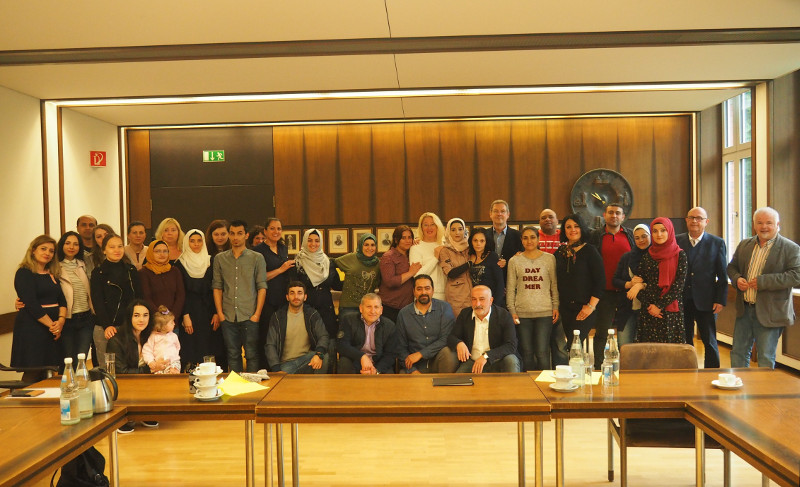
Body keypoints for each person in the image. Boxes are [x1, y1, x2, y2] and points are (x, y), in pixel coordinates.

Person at [727, 207, 800, 368]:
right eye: (760, 222)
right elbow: (731, 267)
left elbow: (796, 276)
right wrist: (737, 279)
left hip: (771, 313)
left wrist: (763, 282)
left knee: (765, 357)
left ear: (777, 224)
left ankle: (763, 393)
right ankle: (738, 390)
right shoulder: (745, 244)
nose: (764, 226)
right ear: (754, 225)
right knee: (738, 353)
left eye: (769, 223)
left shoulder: (790, 248)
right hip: (744, 310)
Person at [212, 220, 267, 372]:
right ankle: (235, 388)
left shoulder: (257, 258)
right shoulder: (220, 258)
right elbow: (217, 287)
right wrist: (221, 314)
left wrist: (257, 314)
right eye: (232, 233)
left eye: (239, 233)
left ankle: (252, 389)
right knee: (232, 354)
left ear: (246, 235)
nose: (236, 237)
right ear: (229, 235)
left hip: (250, 314)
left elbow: (261, 287)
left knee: (251, 354)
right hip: (228, 315)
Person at [676, 207, 728, 368]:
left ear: (706, 222)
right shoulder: (677, 241)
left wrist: (720, 300)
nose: (694, 221)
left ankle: (712, 373)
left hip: (707, 300)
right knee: (685, 339)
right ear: (686, 220)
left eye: (699, 218)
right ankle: (687, 370)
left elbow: (722, 275)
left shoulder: (717, 243)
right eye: (691, 217)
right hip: (682, 299)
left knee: (709, 340)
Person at [10, 235, 66, 382]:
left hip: (53, 328)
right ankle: (21, 401)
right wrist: (52, 326)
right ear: (33, 250)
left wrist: (60, 322)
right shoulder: (24, 273)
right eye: (43, 249)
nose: (47, 253)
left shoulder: (52, 274)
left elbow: (62, 301)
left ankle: (43, 403)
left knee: (49, 370)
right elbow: (31, 303)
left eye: (51, 251)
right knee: (33, 370)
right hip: (32, 328)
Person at [106, 299, 166, 433]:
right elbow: (121, 373)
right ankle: (124, 415)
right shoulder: (116, 340)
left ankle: (145, 412)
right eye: (136, 315)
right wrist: (150, 369)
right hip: (124, 386)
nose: (142, 320)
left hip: (145, 385)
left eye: (145, 315)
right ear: (129, 317)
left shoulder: (150, 336)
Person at [506, 226, 559, 371]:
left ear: (538, 239)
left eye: (532, 237)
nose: (529, 241)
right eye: (525, 237)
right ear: (521, 241)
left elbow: (554, 285)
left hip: (545, 312)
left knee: (542, 352)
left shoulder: (549, 259)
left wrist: (556, 306)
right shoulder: (514, 261)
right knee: (527, 352)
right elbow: (511, 288)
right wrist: (512, 310)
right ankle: (529, 384)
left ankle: (545, 383)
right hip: (522, 313)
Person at [587, 204, 634, 368]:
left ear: (623, 217)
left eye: (618, 213)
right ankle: (599, 367)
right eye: (611, 212)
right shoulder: (595, 236)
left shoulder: (630, 236)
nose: (614, 215)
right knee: (601, 332)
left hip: (627, 292)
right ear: (604, 215)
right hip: (604, 293)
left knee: (626, 335)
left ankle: (627, 367)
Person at [292, 229, 341, 369]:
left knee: (330, 342)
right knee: (308, 344)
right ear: (304, 241)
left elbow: (337, 284)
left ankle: (331, 375)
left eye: (317, 240)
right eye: (310, 240)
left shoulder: (328, 262)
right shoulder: (298, 263)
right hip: (306, 309)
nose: (313, 243)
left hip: (327, 309)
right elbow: (293, 286)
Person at [90, 234, 141, 369]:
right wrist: (107, 325)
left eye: (120, 246)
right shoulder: (98, 272)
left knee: (130, 366)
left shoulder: (131, 270)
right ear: (104, 250)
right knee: (108, 368)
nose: (117, 250)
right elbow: (98, 301)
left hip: (129, 326)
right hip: (106, 327)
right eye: (112, 247)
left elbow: (139, 299)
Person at [444, 285, 521, 373]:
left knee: (511, 360)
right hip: (473, 362)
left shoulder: (503, 315)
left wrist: (486, 356)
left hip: (497, 361)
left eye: (482, 299)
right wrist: (458, 343)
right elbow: (452, 337)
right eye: (474, 299)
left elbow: (511, 345)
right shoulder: (465, 314)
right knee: (457, 383)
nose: (477, 304)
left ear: (491, 301)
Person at [555, 214, 604, 348]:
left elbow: (600, 282)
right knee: (573, 346)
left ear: (582, 228)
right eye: (568, 227)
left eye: (576, 226)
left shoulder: (590, 251)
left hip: (585, 307)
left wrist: (590, 307)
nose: (573, 230)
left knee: (574, 344)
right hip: (564, 308)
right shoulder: (560, 252)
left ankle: (577, 368)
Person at [635, 218, 688, 344]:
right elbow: (637, 284)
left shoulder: (680, 255)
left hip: (670, 312)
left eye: (663, 230)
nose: (659, 234)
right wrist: (650, 306)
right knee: (649, 354)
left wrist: (659, 306)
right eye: (655, 231)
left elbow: (678, 287)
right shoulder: (647, 256)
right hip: (649, 311)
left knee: (671, 355)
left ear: (669, 231)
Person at [253, 218, 294, 367]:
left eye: (279, 229)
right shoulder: (257, 251)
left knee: (281, 335)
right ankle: (265, 368)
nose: (276, 232)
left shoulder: (283, 248)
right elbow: (258, 277)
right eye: (272, 228)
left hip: (282, 299)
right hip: (266, 300)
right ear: (265, 231)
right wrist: (280, 269)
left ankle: (279, 367)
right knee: (266, 336)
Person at [396, 274, 456, 373]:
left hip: (439, 360)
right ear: (414, 291)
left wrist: (421, 354)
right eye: (419, 289)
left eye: (427, 288)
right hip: (416, 364)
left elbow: (446, 338)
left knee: (448, 353)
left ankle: (445, 388)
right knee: (404, 376)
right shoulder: (404, 314)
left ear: (432, 290)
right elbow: (400, 347)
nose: (423, 292)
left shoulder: (444, 308)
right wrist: (413, 371)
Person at [265, 281, 330, 374]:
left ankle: (317, 387)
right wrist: (276, 369)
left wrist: (319, 354)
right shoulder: (277, 317)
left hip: (306, 360)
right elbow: (270, 345)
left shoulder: (312, 314)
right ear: (287, 297)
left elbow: (323, 336)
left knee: (324, 356)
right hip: (286, 364)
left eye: (299, 293)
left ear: (305, 297)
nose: (296, 297)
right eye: (292, 293)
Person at [175, 229, 215, 367]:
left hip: (208, 312)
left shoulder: (211, 261)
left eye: (199, 240)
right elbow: (181, 291)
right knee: (190, 350)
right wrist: (185, 315)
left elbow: (215, 289)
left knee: (207, 348)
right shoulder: (180, 263)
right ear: (187, 242)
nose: (196, 244)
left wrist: (216, 312)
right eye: (192, 241)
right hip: (189, 311)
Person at [55, 232, 94, 366]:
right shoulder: (54, 266)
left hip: (86, 318)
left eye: (76, 244)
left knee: (81, 359)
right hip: (66, 320)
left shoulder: (84, 264)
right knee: (67, 360)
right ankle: (67, 386)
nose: (72, 247)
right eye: (68, 243)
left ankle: (81, 386)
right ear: (62, 245)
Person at [337, 293, 398, 374]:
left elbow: (390, 354)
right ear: (361, 308)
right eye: (369, 307)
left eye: (376, 307)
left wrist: (376, 370)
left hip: (379, 363)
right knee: (344, 362)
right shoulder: (348, 320)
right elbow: (342, 345)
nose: (372, 311)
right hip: (356, 360)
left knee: (389, 376)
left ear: (381, 310)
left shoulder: (390, 326)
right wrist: (362, 357)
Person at [612, 224, 651, 346]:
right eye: (637, 238)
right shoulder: (627, 257)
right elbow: (615, 280)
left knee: (645, 349)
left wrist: (642, 284)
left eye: (644, 236)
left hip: (648, 310)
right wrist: (629, 284)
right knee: (624, 346)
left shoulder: (656, 257)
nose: (641, 240)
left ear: (651, 236)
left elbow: (660, 282)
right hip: (627, 309)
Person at [379, 225, 421, 323]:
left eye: (410, 237)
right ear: (397, 240)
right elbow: (390, 281)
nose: (407, 240)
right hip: (390, 308)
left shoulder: (412, 253)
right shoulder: (388, 256)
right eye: (403, 238)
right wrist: (410, 273)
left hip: (408, 308)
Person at [334, 233, 381, 317]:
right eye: (366, 245)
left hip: (368, 307)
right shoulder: (351, 258)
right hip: (348, 307)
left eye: (372, 245)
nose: (369, 248)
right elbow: (331, 264)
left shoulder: (378, 264)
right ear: (360, 245)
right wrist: (336, 283)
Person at [139, 240, 186, 323]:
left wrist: (172, 317)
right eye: (157, 251)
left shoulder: (175, 271)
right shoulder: (144, 272)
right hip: (153, 322)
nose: (162, 254)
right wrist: (160, 318)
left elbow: (180, 296)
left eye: (165, 251)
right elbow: (146, 297)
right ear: (150, 253)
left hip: (172, 322)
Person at [205, 219, 230, 371]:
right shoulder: (206, 254)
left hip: (230, 304)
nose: (220, 237)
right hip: (211, 304)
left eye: (223, 234)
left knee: (228, 347)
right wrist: (215, 310)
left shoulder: (233, 254)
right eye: (216, 234)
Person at [409, 212, 447, 301]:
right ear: (421, 227)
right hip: (425, 295)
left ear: (438, 226)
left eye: (432, 224)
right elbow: (418, 275)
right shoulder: (416, 247)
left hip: (446, 294)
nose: (429, 228)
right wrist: (435, 258)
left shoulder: (445, 245)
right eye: (426, 225)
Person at [438, 218, 472, 316]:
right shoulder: (445, 250)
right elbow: (451, 273)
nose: (457, 232)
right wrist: (469, 264)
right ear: (448, 231)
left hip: (473, 294)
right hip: (456, 296)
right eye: (453, 230)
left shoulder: (470, 247)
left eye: (460, 229)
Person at [467, 227, 504, 308]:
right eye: (475, 240)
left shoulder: (492, 256)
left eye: (482, 241)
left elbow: (500, 283)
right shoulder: (468, 257)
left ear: (486, 242)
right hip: (474, 301)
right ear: (471, 242)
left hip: (491, 301)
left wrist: (495, 306)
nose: (478, 244)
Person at [489, 199, 524, 278]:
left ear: (508, 214)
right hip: (489, 281)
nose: (499, 214)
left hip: (511, 279)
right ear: (490, 214)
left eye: (503, 211)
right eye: (495, 211)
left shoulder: (518, 236)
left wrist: (507, 262)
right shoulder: (484, 235)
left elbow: (523, 259)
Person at [142, 305, 181, 374]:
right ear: (163, 326)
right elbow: (147, 350)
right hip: (158, 363)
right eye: (172, 322)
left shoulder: (174, 336)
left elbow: (177, 347)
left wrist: (172, 357)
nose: (174, 324)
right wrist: (150, 361)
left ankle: (173, 372)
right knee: (158, 377)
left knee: (174, 372)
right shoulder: (153, 336)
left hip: (173, 362)